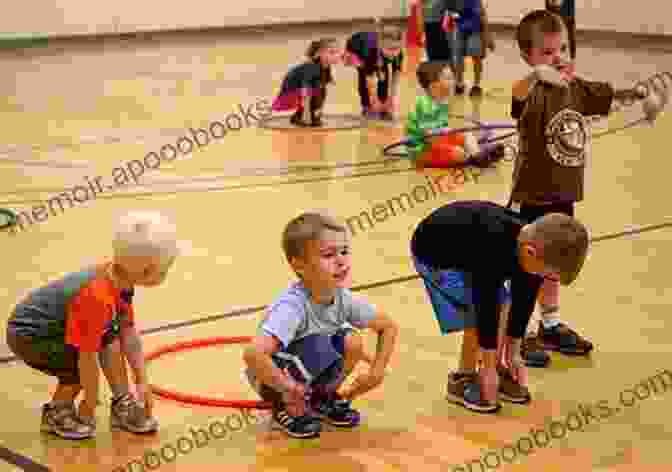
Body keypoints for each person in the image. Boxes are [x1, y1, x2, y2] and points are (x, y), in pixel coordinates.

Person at [509, 10, 664, 366]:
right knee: (526, 271)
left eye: (563, 48)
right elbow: (517, 98)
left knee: (554, 263)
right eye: (547, 52)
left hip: (564, 196)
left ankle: (549, 325)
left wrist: (644, 96)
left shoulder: (578, 90)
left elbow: (614, 97)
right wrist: (536, 75)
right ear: (529, 58)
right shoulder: (533, 92)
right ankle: (516, 334)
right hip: (532, 198)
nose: (559, 57)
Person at [5, 211, 179, 439]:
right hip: (32, 335)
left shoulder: (120, 278)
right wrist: (89, 400)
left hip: (54, 326)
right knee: (77, 370)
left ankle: (122, 402)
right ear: (147, 271)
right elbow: (87, 358)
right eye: (165, 268)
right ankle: (57, 411)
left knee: (111, 336)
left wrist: (142, 381)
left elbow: (128, 333)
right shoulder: (97, 298)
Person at [410, 200, 590, 412]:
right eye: (547, 275)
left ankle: (495, 368)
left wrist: (513, 353)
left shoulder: (531, 249)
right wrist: (487, 366)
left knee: (504, 303)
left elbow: (524, 300)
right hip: (434, 253)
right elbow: (485, 307)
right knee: (479, 314)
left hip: (469, 253)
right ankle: (464, 378)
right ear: (530, 253)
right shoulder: (492, 245)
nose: (545, 280)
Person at [243, 212, 398, 438]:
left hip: (309, 366)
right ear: (299, 266)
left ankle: (322, 398)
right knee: (319, 345)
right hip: (271, 378)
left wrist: (376, 372)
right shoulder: (292, 307)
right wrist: (286, 389)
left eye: (344, 251)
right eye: (328, 255)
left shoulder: (343, 298)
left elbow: (389, 326)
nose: (341, 261)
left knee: (352, 341)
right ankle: (283, 407)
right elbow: (253, 355)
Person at [405, 61, 506, 168]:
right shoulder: (425, 105)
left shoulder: (442, 101)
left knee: (467, 136)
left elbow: (442, 127)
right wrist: (450, 143)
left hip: (436, 140)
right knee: (458, 153)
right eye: (448, 78)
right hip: (422, 150)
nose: (453, 81)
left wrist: (453, 137)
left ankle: (478, 155)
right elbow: (429, 138)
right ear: (434, 86)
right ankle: (474, 158)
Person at [271, 38, 343, 127]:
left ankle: (301, 116)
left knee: (321, 91)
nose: (337, 55)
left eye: (338, 52)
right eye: (332, 52)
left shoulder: (325, 66)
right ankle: (306, 116)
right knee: (318, 93)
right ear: (318, 54)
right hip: (291, 92)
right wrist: (306, 113)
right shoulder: (312, 67)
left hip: (304, 91)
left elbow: (324, 81)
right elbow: (305, 90)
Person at [344, 22, 404, 120]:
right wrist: (374, 101)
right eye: (389, 49)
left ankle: (383, 104)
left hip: (375, 53)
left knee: (382, 75)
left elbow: (396, 77)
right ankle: (366, 106)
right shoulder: (371, 52)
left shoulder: (398, 54)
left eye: (396, 49)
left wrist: (391, 100)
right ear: (380, 45)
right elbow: (370, 80)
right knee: (363, 75)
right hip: (355, 50)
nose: (393, 53)